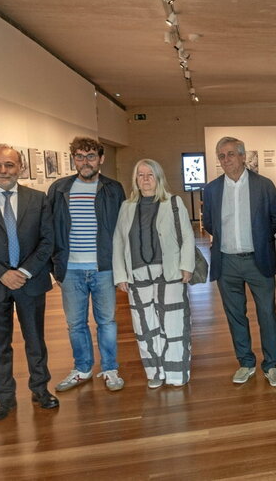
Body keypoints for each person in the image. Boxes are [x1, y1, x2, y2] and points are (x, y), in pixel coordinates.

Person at [0, 144, 58, 422]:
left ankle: (40, 389)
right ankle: (4, 399)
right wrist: (1, 273)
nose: (3, 171)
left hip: (30, 282)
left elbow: (48, 240)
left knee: (35, 339)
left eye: (9, 165)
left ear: (19, 167)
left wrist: (24, 271)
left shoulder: (38, 199)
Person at [202, 137, 276, 386]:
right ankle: (246, 362)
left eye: (230, 154)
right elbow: (209, 223)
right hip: (226, 262)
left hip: (257, 260)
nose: (226, 160)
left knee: (267, 314)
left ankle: (271, 365)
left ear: (242, 156)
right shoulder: (212, 189)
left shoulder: (264, 185)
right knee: (235, 315)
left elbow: (275, 219)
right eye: (221, 156)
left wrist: (259, 241)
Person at [48, 137, 126, 392]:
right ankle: (82, 369)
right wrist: (55, 267)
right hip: (70, 270)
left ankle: (110, 368)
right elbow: (49, 230)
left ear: (101, 159)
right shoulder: (59, 189)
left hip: (103, 267)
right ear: (73, 159)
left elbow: (122, 230)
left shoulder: (113, 189)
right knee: (75, 323)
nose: (85, 161)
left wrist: (121, 267)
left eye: (91, 156)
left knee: (107, 322)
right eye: (79, 156)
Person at [113, 159, 195, 388]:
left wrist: (186, 266)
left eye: (150, 174)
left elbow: (187, 236)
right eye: (141, 175)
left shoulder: (174, 202)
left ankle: (176, 373)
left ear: (158, 177)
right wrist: (121, 275)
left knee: (174, 325)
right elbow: (118, 241)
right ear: (135, 180)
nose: (146, 179)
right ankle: (155, 372)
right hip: (138, 277)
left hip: (169, 274)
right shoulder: (126, 207)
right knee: (146, 328)